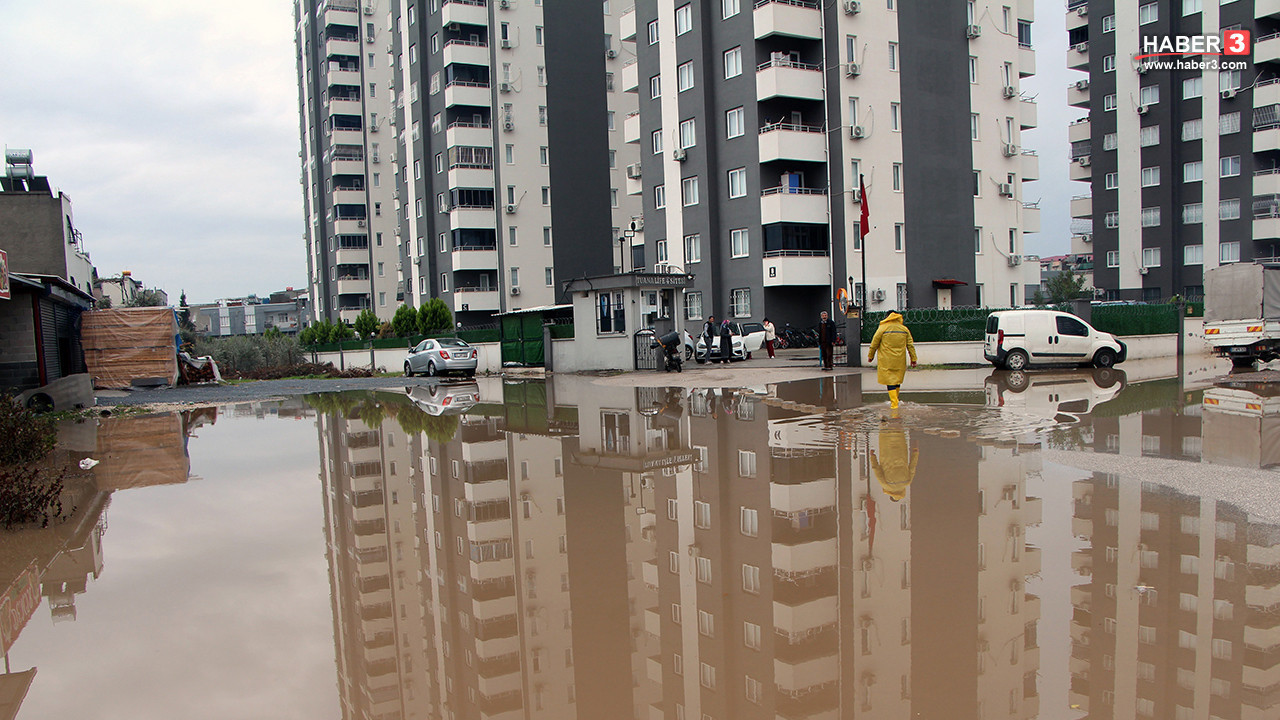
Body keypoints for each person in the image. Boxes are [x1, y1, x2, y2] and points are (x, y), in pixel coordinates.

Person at [866, 311, 917, 409]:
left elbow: (874, 343)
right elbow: (910, 345)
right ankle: (896, 400)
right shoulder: (904, 329)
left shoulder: (883, 328)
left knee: (890, 381)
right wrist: (913, 359)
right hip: (900, 359)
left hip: (886, 359)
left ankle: (894, 404)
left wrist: (870, 356)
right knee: (897, 380)